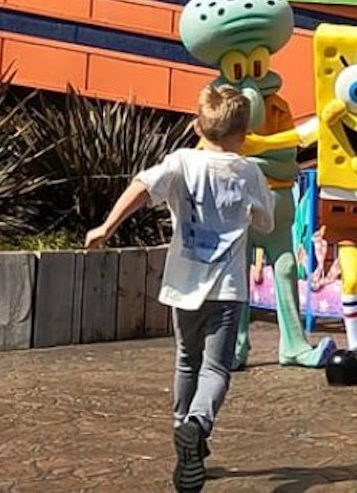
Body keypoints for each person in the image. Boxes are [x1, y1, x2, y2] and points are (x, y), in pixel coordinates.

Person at [86, 84, 272, 493]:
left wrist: (106, 227)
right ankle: (197, 425)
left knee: (187, 359)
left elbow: (140, 186)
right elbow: (265, 223)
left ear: (196, 126)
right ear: (242, 135)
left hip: (183, 282)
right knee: (217, 367)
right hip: (227, 287)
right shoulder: (250, 171)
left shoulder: (181, 161)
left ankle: (180, 430)